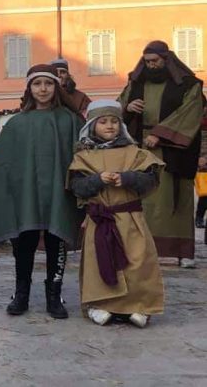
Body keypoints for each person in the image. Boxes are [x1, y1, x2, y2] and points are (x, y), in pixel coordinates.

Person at [0, 64, 82, 319]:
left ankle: (54, 295)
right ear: (29, 88)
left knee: (56, 242)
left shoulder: (70, 121)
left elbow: (81, 157)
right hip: (26, 195)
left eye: (48, 83)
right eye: (37, 84)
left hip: (59, 193)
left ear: (57, 87)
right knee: (24, 244)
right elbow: (4, 163)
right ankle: (21, 294)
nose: (43, 89)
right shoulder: (16, 123)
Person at [68, 100, 165, 329]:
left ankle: (139, 305)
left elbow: (150, 180)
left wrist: (128, 178)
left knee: (137, 262)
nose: (109, 126)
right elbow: (77, 187)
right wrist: (97, 180)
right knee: (99, 263)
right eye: (103, 122)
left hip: (131, 219)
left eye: (114, 121)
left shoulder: (135, 153)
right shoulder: (83, 157)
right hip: (100, 220)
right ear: (92, 126)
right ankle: (99, 304)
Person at [119, 41, 203, 268]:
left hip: (174, 150)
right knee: (145, 200)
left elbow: (190, 113)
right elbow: (118, 107)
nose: (151, 65)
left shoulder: (188, 84)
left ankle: (182, 252)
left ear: (166, 59)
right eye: (147, 62)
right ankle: (145, 251)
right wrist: (128, 108)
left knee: (176, 200)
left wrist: (159, 134)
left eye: (155, 61)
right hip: (140, 148)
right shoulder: (136, 82)